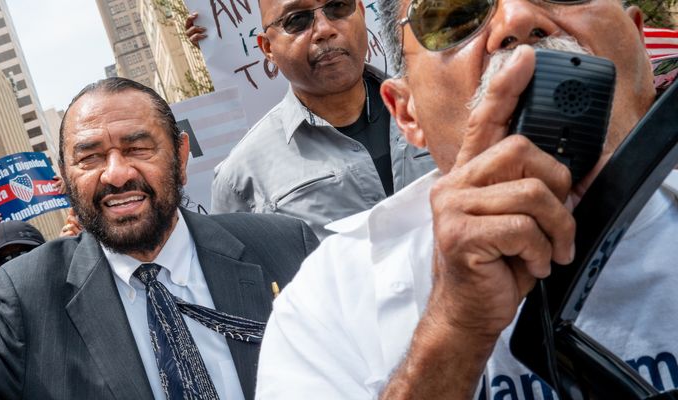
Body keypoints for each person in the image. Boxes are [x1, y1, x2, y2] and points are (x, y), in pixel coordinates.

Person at [257, 0, 675, 398]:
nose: (517, 18)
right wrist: (453, 327)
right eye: (453, 13)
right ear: (406, 112)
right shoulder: (328, 304)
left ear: (638, 41)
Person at [0, 77, 318, 399]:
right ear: (63, 177)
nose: (117, 174)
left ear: (181, 156)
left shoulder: (286, 250)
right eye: (91, 157)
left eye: (138, 147)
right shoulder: (27, 294)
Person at [205, 0, 436, 239]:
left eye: (338, 7)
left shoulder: (443, 105)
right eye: (296, 20)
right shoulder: (241, 178)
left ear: (361, 12)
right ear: (268, 48)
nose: (325, 29)